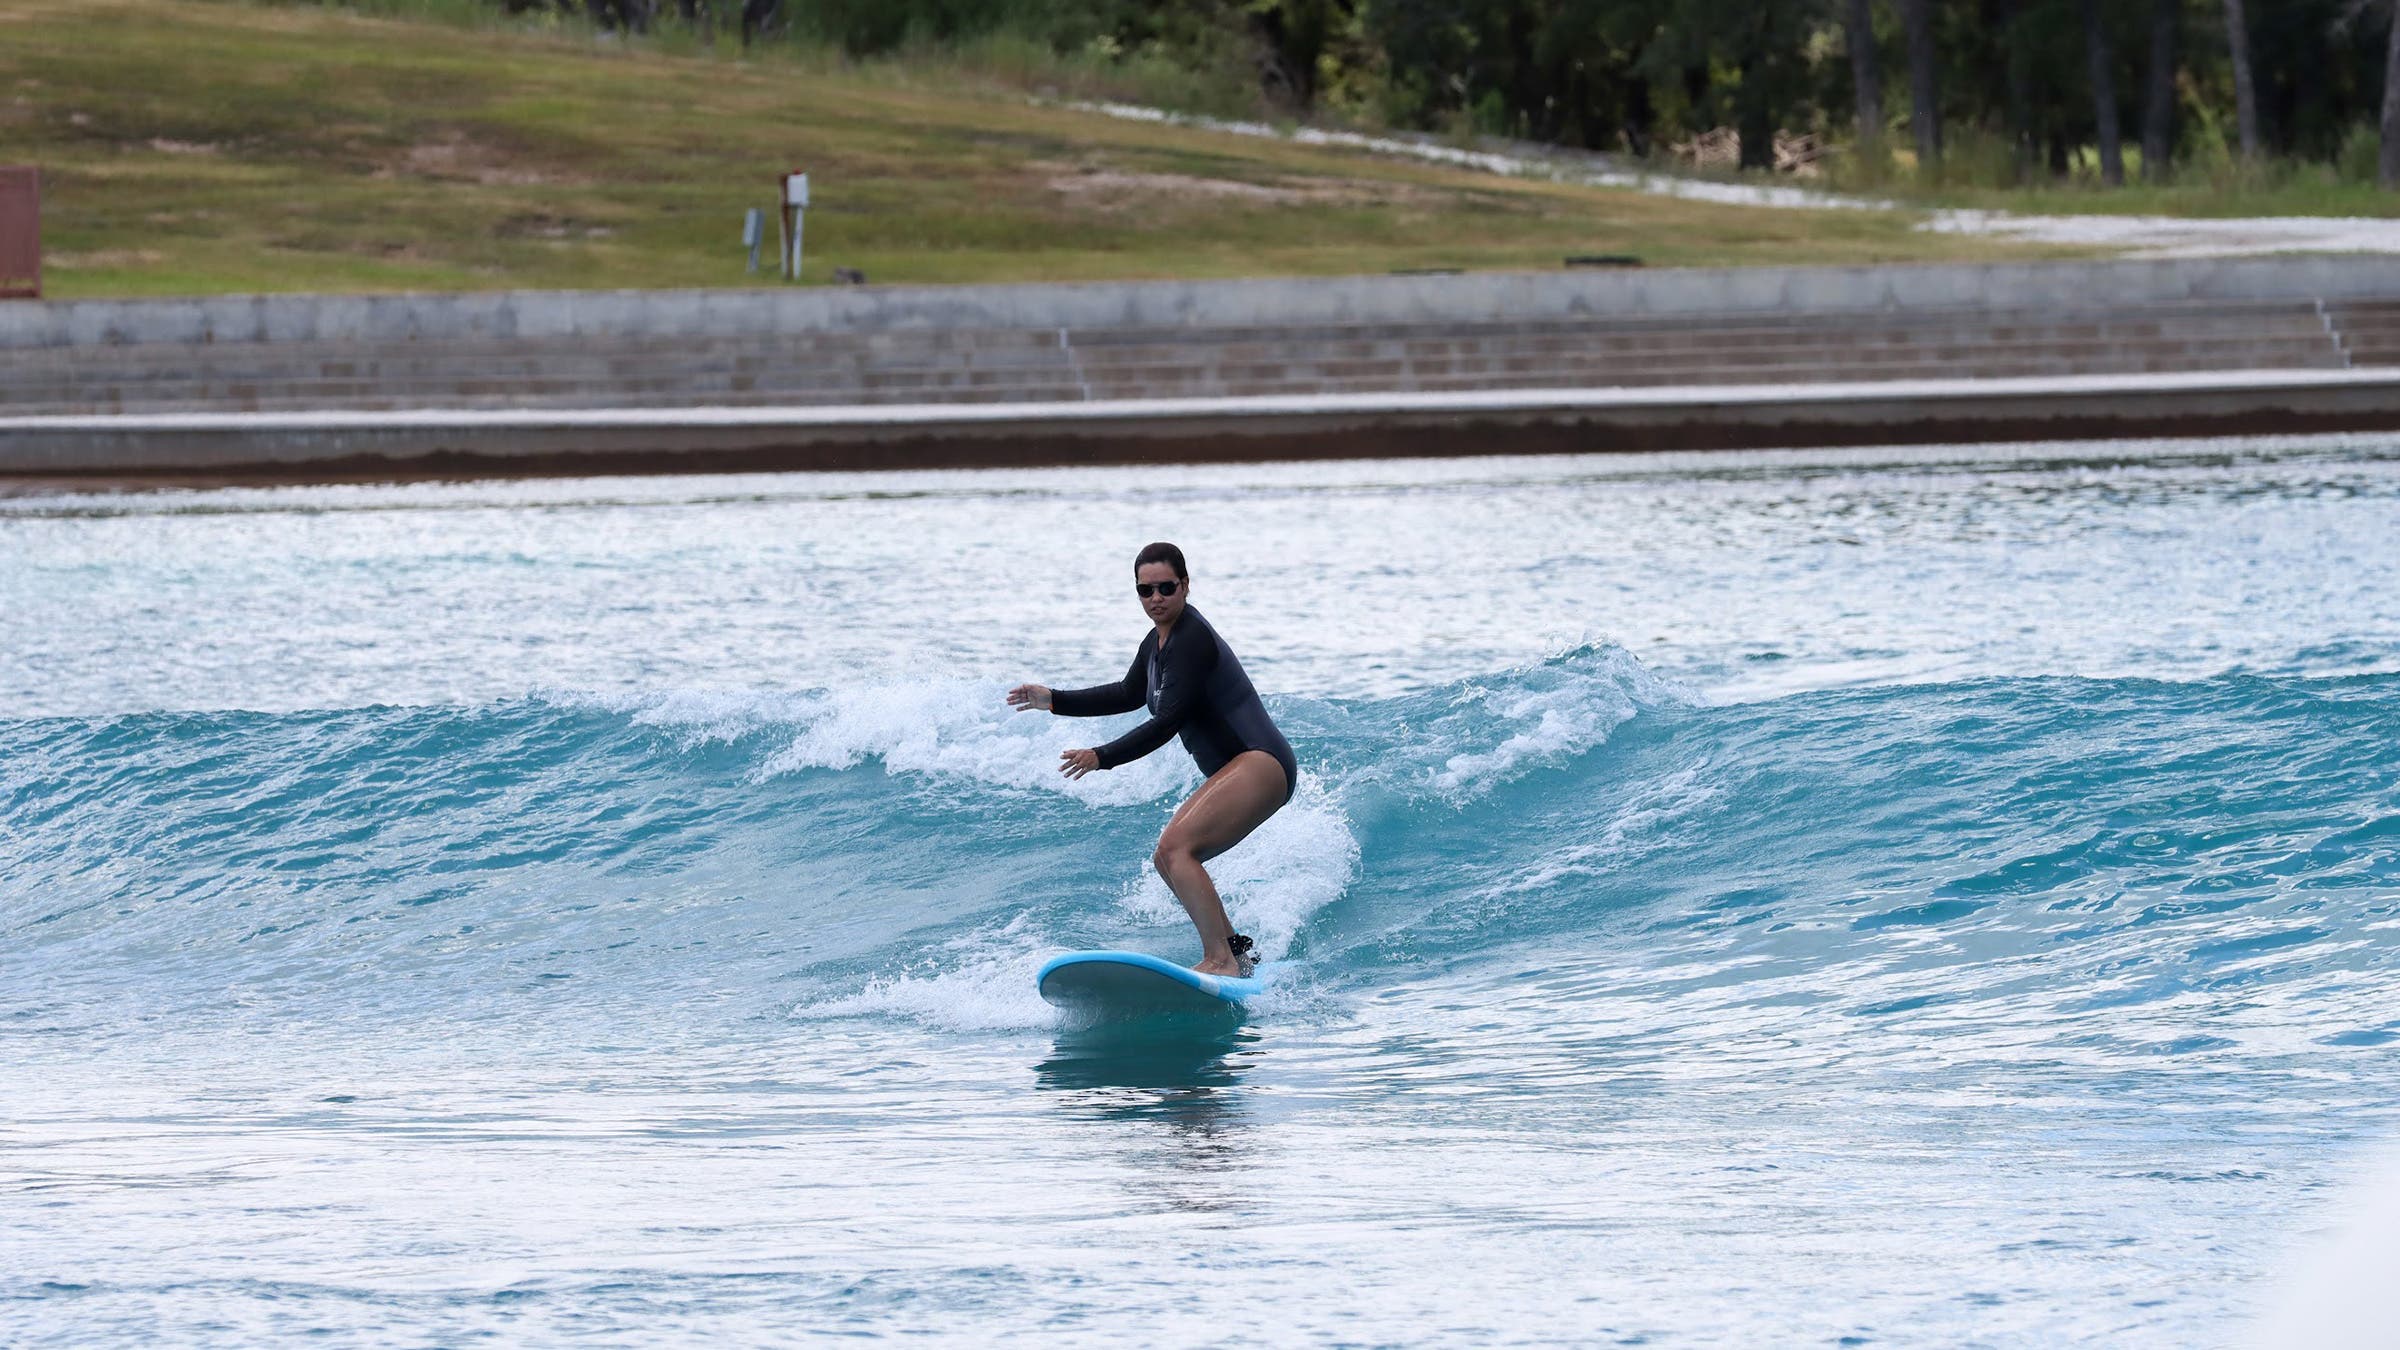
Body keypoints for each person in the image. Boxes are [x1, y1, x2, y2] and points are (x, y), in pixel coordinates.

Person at [1006, 542, 1298, 977]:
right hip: (1244, 768)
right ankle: (1236, 953)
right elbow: (1127, 693)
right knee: (1167, 858)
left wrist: (1100, 756)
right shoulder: (1158, 642)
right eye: (1146, 591)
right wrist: (1055, 700)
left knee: (1177, 848)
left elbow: (1165, 723)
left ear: (1185, 585)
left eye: (1165, 587)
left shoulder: (1192, 641)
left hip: (1260, 762)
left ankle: (1221, 961)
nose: (1156, 598)